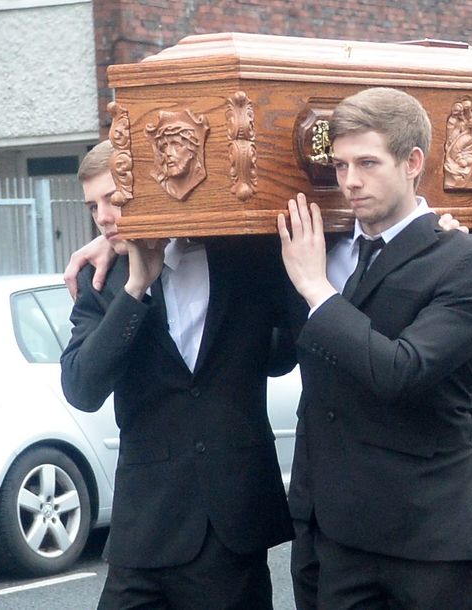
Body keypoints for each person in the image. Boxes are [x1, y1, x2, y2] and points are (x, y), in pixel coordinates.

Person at [277, 87, 472, 609]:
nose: (350, 181)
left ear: (412, 163)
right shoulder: (320, 250)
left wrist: (318, 290)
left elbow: (402, 371)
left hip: (428, 538)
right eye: (339, 166)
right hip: (335, 535)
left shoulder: (470, 259)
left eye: (367, 163)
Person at [60, 141, 296, 609]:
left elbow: (282, 353)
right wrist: (135, 289)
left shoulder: (246, 256)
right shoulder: (104, 281)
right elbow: (82, 388)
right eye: (93, 206)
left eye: (114, 198)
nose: (104, 216)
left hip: (231, 523)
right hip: (144, 528)